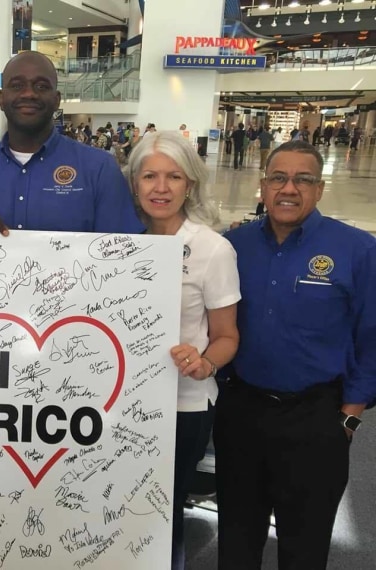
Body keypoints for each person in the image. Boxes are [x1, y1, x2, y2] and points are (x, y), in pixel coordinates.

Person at [215, 140, 376, 570]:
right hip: (242, 413)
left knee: (304, 547)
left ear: (320, 189)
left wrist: (351, 414)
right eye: (278, 178)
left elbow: (372, 336)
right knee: (236, 538)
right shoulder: (233, 245)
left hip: (317, 419)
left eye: (303, 179)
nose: (289, 188)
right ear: (262, 186)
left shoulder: (358, 250)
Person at [125, 131, 240, 570]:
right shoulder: (118, 240)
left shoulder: (212, 249)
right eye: (150, 175)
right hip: (120, 400)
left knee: (161, 509)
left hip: (182, 405)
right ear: (134, 182)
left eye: (174, 177)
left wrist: (205, 361)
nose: (161, 187)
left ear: (190, 184)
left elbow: (228, 336)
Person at [0, 50, 144, 234]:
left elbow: (122, 258)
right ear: (1, 99)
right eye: (17, 85)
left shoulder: (100, 170)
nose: (29, 93)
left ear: (57, 99)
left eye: (42, 86)